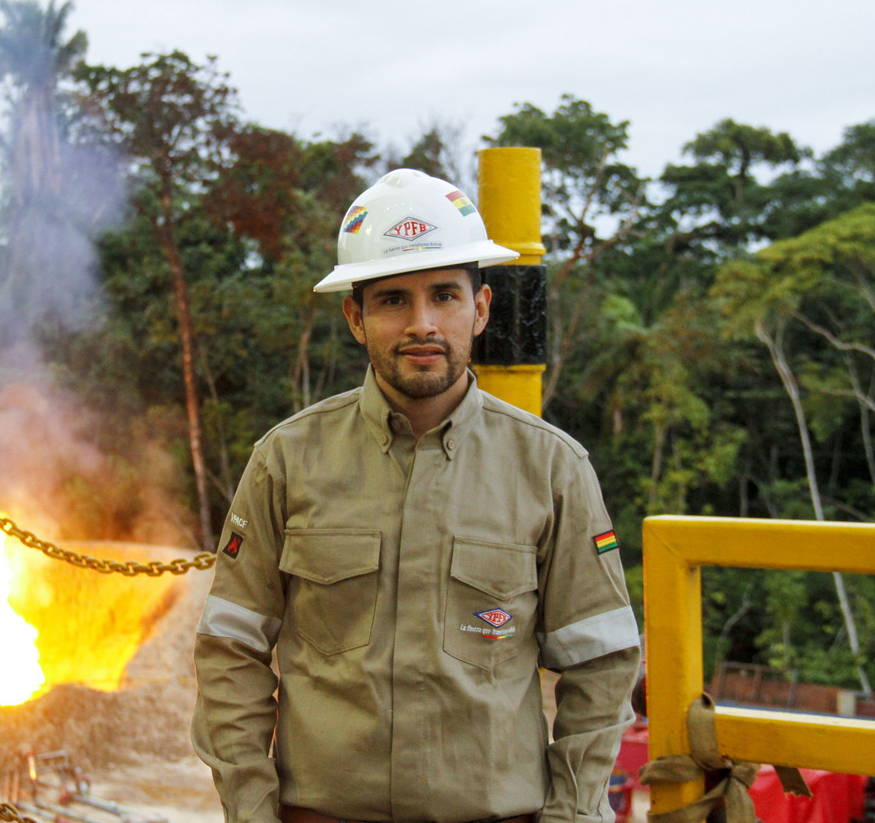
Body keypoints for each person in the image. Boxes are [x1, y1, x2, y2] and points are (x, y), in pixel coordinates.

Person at [191, 168, 641, 823]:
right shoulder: (285, 462)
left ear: (480, 308)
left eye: (444, 296)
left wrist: (570, 815)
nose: (422, 323)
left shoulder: (551, 469)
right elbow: (229, 651)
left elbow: (600, 666)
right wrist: (253, 811)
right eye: (393, 300)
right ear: (355, 316)